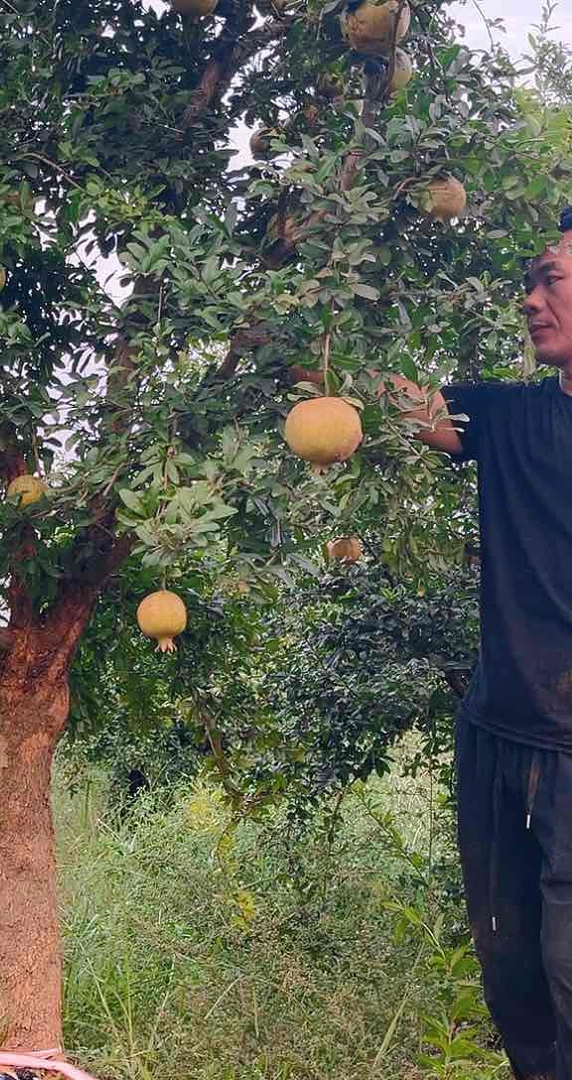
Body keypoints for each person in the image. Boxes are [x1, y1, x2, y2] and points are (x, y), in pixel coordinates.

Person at [295, 207, 572, 1080]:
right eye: (529, 282)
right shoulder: (510, 416)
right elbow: (404, 406)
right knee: (514, 969)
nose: (529, 300)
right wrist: (322, 315)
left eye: (550, 280)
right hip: (499, 735)